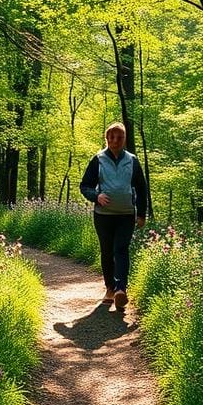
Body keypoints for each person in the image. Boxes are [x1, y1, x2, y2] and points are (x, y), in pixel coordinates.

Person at [80, 121, 148, 309]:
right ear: (106, 138)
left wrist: (141, 214)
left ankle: (120, 289)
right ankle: (110, 287)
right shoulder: (98, 159)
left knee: (121, 249)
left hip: (126, 214)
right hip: (103, 215)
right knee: (107, 251)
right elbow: (85, 185)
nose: (115, 140)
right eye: (112, 136)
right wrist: (96, 196)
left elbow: (142, 188)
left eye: (119, 137)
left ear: (124, 139)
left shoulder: (132, 160)